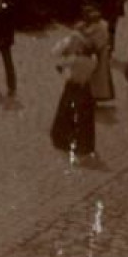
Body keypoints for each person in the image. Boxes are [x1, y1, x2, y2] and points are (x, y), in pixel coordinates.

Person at [51, 31, 98, 161]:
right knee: (85, 118)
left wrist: (64, 70)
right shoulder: (93, 61)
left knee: (66, 113)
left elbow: (59, 65)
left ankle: (63, 140)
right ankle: (85, 145)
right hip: (86, 89)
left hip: (72, 87)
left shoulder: (75, 59)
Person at [81, 11, 115, 104]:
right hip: (98, 53)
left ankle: (96, 95)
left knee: (98, 76)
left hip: (99, 54)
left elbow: (97, 43)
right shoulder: (98, 27)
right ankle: (95, 95)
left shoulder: (99, 28)